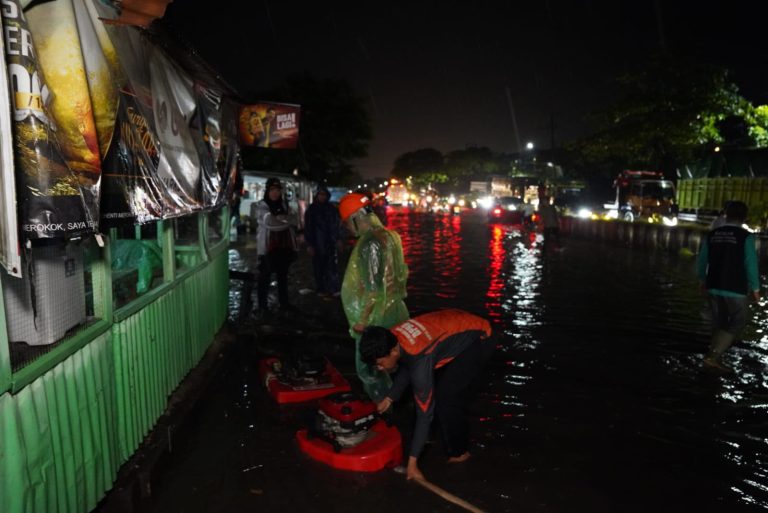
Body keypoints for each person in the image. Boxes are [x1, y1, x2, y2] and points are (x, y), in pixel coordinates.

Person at [359, 309, 494, 481]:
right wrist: (390, 397)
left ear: (392, 351)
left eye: (379, 363)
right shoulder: (392, 336)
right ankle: (426, 439)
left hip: (480, 337)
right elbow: (408, 363)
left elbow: (425, 414)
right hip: (454, 324)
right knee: (430, 389)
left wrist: (412, 464)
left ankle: (460, 452)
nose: (379, 368)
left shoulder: (420, 360)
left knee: (446, 397)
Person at [338, 193, 409, 402]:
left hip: (378, 316)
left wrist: (362, 321)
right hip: (397, 309)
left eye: (347, 224)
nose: (348, 229)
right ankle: (400, 400)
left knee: (371, 369)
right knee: (395, 360)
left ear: (355, 218)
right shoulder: (390, 236)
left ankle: (384, 409)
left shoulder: (370, 243)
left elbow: (373, 289)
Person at [697, 200, 760, 372]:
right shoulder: (746, 237)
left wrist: (702, 280)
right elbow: (750, 264)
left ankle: (713, 355)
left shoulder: (713, 234)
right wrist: (755, 288)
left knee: (719, 322)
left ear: (727, 215)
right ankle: (713, 357)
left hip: (713, 285)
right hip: (735, 287)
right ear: (744, 217)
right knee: (738, 321)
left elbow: (702, 260)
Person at [254, 177, 299, 315]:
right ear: (267, 191)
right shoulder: (262, 205)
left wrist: (283, 220)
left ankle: (284, 304)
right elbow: (270, 224)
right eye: (272, 190)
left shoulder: (284, 204)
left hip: (284, 248)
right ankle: (262, 307)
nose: (275, 193)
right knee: (264, 278)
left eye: (278, 190)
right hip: (268, 249)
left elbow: (294, 219)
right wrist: (285, 222)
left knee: (283, 278)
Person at [304, 185, 341, 297]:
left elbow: (336, 226)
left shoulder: (332, 209)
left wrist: (338, 239)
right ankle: (321, 288)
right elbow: (308, 227)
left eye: (324, 194)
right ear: (316, 195)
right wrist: (309, 244)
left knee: (331, 266)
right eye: (320, 194)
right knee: (318, 267)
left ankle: (332, 288)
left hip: (330, 243)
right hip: (317, 243)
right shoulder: (312, 209)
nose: (322, 197)